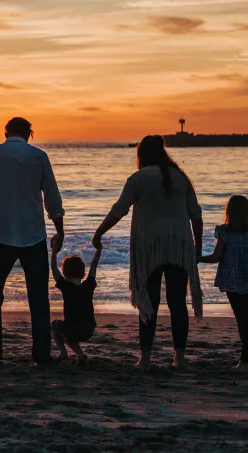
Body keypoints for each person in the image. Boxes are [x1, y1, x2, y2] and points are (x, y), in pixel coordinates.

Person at [93, 135, 203, 369]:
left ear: (141, 154)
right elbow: (196, 214)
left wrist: (100, 231)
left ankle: (145, 358)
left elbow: (118, 210)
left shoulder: (139, 178)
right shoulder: (181, 178)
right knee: (177, 303)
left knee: (148, 301)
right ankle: (180, 358)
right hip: (179, 246)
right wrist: (198, 247)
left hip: (149, 248)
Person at [0, 117, 64, 366]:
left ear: (5, 132)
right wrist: (60, 227)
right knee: (38, 298)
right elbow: (52, 195)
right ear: (29, 134)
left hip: (3, 234)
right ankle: (42, 354)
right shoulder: (39, 156)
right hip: (33, 234)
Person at [200, 195, 248, 367]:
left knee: (240, 318)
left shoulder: (224, 233)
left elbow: (216, 257)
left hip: (231, 279)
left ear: (229, 212)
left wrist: (198, 258)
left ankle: (246, 357)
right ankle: (247, 356)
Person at [50, 240, 101, 366]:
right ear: (83, 273)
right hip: (89, 330)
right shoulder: (88, 285)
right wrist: (99, 250)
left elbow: (53, 268)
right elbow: (94, 265)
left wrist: (54, 251)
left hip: (72, 330)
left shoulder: (65, 287)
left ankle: (63, 352)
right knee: (69, 331)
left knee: (55, 325)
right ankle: (80, 355)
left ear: (65, 273)